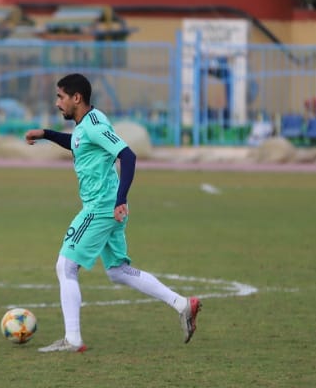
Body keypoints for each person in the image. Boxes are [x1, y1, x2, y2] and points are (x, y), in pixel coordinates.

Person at [24, 73, 200, 352]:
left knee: (65, 266)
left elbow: (127, 155)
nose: (57, 103)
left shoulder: (93, 125)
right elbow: (76, 144)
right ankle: (182, 304)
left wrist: (121, 199)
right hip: (107, 206)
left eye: (60, 97)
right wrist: (45, 134)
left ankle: (73, 340)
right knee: (118, 271)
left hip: (101, 208)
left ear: (76, 98)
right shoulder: (85, 125)